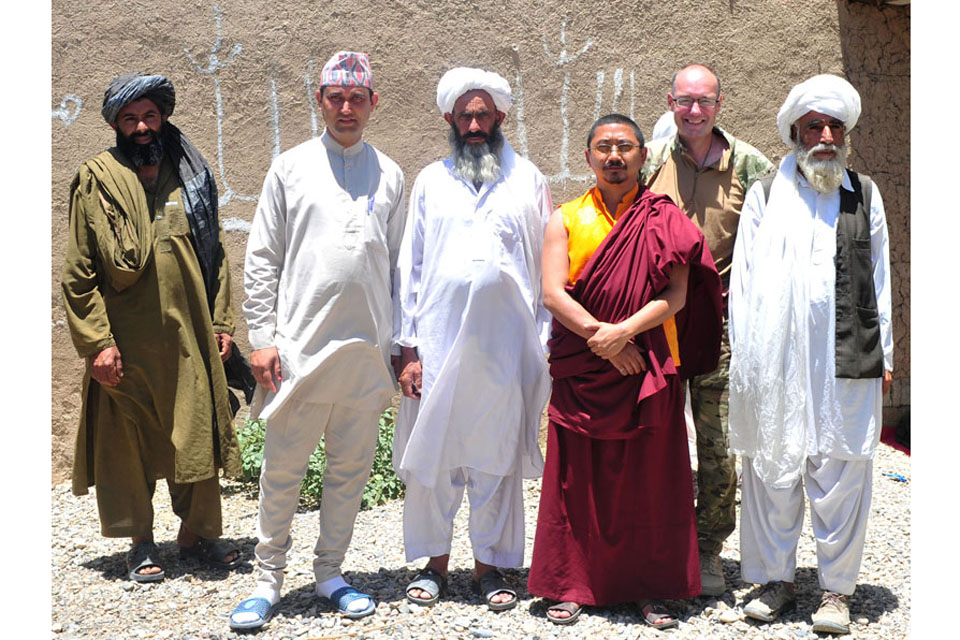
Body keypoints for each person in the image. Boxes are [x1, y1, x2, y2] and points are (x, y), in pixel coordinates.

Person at [229, 51, 406, 631]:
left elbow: (402, 269)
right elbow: (261, 261)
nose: (347, 108)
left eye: (358, 98)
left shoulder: (391, 173)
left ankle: (330, 573)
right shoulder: (290, 168)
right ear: (320, 101)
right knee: (281, 472)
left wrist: (402, 346)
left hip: (364, 356)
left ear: (373, 103)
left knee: (349, 472)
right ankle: (267, 581)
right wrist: (262, 337)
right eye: (336, 97)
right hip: (298, 354)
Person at [527, 114, 723, 628]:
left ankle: (651, 587)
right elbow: (551, 293)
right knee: (579, 480)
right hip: (585, 368)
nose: (615, 157)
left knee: (650, 481)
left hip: (648, 365)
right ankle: (573, 584)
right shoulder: (565, 218)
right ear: (589, 157)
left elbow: (676, 294)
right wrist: (603, 341)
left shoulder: (665, 216)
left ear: (642, 156)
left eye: (625, 148)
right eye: (604, 148)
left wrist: (623, 333)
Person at [728, 74, 893, 635]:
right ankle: (775, 580)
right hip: (775, 359)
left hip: (845, 356)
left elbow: (881, 281)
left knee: (842, 470)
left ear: (844, 134)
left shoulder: (864, 194)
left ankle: (835, 593)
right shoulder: (765, 195)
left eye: (834, 127)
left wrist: (885, 355)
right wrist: (747, 362)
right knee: (772, 468)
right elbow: (743, 283)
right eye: (814, 126)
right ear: (795, 133)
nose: (825, 136)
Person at [61, 72, 242, 583]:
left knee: (195, 432)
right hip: (127, 344)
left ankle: (198, 533)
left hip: (189, 336)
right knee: (128, 441)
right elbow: (78, 271)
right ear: (117, 124)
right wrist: (98, 343)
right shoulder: (97, 178)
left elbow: (216, 256)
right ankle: (141, 541)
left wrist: (221, 320)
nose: (142, 127)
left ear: (163, 118)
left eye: (150, 116)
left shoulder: (190, 176)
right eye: (130, 118)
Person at [394, 67, 553, 612]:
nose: (475, 123)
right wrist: (408, 347)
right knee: (435, 458)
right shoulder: (430, 181)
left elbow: (542, 264)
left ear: (501, 118)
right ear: (449, 120)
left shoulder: (528, 180)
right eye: (465, 115)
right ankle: (433, 566)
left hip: (505, 346)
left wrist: (543, 343)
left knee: (495, 461)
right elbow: (409, 267)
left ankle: (492, 567)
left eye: (484, 114)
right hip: (436, 343)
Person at [641, 63, 773, 596]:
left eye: (705, 101)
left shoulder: (751, 165)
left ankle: (709, 548)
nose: (694, 111)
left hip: (722, 330)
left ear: (720, 105)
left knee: (718, 447)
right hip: (658, 326)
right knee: (655, 440)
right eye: (685, 101)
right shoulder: (647, 160)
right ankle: (657, 546)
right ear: (670, 102)